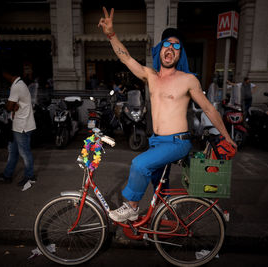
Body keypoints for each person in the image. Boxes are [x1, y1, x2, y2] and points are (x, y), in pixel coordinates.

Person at [98, 7, 236, 222]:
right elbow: (125, 58)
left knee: (139, 164)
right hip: (156, 141)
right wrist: (111, 35)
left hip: (177, 142)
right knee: (158, 184)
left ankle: (132, 207)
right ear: (160, 49)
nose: (171, 48)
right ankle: (167, 222)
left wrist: (227, 137)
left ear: (180, 54)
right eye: (167, 45)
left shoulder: (188, 80)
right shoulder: (150, 75)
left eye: (176, 47)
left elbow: (209, 108)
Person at [0, 62, 36, 187]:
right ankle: (7, 175)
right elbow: (13, 106)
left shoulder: (17, 86)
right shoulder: (19, 84)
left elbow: (9, 106)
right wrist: (13, 105)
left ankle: (29, 176)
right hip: (19, 124)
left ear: (7, 73)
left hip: (22, 126)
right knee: (13, 151)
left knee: (24, 152)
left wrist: (10, 105)